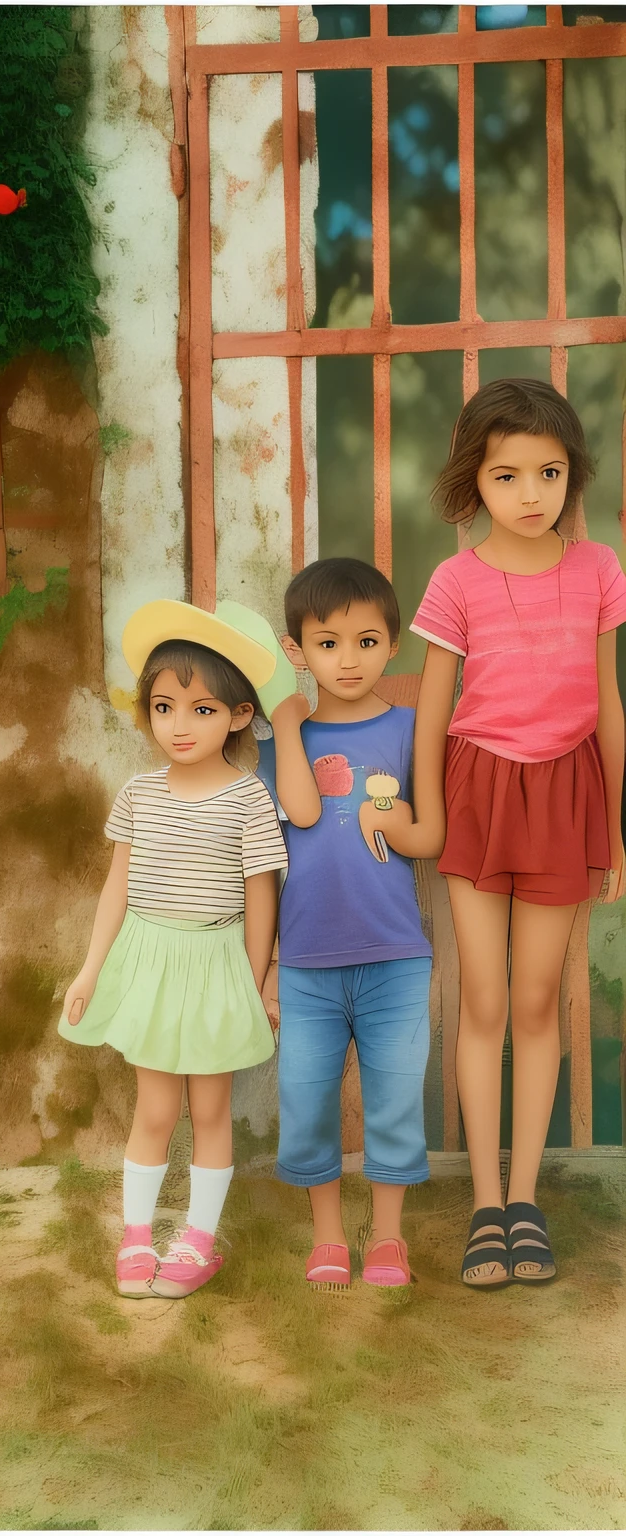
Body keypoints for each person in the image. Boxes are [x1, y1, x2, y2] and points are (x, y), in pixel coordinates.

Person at [407, 377, 626, 1287]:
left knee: (538, 1004)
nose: (530, 493)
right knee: (483, 1004)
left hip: (567, 796)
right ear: (475, 482)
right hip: (478, 791)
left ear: (572, 475)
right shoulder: (456, 579)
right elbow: (432, 713)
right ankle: (484, 1206)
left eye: (549, 471)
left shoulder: (600, 569)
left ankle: (525, 1201)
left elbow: (608, 703)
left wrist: (615, 832)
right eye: (507, 474)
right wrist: (428, 817)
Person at [59, 600, 291, 1299]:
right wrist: (90, 969)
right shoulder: (138, 793)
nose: (179, 726)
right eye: (164, 708)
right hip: (150, 965)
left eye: (201, 709)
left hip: (218, 962)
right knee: (155, 1111)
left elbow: (262, 899)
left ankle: (197, 1240)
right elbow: (115, 891)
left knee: (211, 1110)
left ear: (240, 716)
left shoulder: (249, 798)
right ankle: (135, 1239)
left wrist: (255, 984)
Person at [224, 563, 443, 1289]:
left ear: (392, 646)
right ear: (297, 652)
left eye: (367, 640)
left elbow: (429, 837)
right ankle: (326, 1237)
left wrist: (399, 821)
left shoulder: (411, 732)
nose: (347, 660)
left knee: (394, 1099)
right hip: (309, 965)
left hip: (395, 958)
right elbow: (303, 812)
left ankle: (386, 1238)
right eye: (327, 643)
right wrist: (286, 720)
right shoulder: (272, 752)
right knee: (308, 1100)